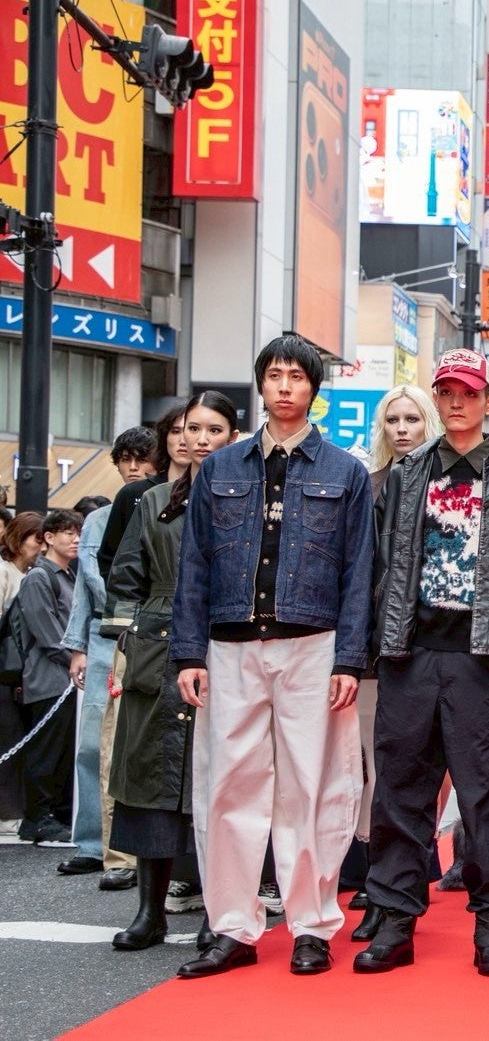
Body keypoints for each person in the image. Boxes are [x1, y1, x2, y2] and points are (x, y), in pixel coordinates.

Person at [170, 334, 375, 978]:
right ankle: (232, 926)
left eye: (297, 377)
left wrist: (349, 659)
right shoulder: (220, 469)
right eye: (275, 375)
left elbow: (359, 573)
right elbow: (194, 565)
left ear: (314, 388)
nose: (285, 387)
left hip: (313, 645)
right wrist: (187, 653)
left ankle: (311, 925)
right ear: (260, 384)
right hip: (229, 644)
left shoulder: (346, 472)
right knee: (228, 787)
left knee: (313, 786)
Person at [355, 350, 489, 978]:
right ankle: (394, 918)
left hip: (483, 659)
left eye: (469, 392)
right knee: (399, 791)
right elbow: (377, 564)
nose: (457, 402)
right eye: (447, 392)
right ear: (436, 399)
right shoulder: (407, 473)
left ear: (488, 400)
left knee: (486, 796)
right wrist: (378, 646)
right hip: (410, 654)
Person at [100, 393, 240, 952]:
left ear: (233, 437)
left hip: (223, 643)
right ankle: (149, 912)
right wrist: (129, 639)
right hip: (155, 649)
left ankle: (221, 908)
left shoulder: (247, 497)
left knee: (219, 783)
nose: (197, 439)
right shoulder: (152, 499)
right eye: (187, 429)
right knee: (149, 780)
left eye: (211, 429)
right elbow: (123, 577)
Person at [346, 384, 441, 940]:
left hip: (433, 647)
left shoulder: (448, 480)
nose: (402, 429)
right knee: (370, 766)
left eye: (412, 418)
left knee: (410, 770)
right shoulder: (366, 484)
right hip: (374, 649)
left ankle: (402, 881)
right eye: (392, 419)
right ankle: (377, 880)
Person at [58, 424, 161, 883]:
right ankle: (91, 842)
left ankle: (133, 848)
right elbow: (85, 587)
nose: (134, 468)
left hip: (149, 632)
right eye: (126, 460)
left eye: (142, 459)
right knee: (91, 745)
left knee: (135, 745)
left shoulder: (162, 502)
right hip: (104, 636)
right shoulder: (98, 519)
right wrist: (77, 646)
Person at [15, 509, 84, 848]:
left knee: (63, 753)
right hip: (48, 679)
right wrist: (75, 661)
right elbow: (47, 633)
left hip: (67, 680)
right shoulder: (39, 578)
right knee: (46, 752)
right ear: (49, 537)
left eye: (78, 533)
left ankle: (55, 814)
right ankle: (37, 817)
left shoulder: (69, 575)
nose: (75, 539)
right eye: (68, 533)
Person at [99, 406, 191, 589]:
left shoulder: (218, 493)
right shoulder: (134, 493)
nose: (183, 440)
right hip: (146, 599)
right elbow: (110, 558)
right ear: (164, 437)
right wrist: (127, 599)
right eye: (175, 431)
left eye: (191, 429)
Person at [0, 512, 44, 839]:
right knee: (9, 739)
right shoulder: (4, 572)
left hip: (20, 673)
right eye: (36, 539)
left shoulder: (29, 574)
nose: (40, 546)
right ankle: (7, 813)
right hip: (5, 672)